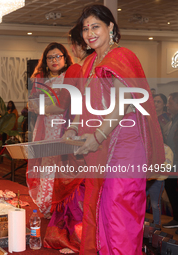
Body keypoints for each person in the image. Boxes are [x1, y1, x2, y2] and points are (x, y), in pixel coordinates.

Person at [63, 5, 165, 254]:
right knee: (99, 210)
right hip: (101, 146)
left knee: (120, 212)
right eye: (85, 28)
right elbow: (81, 102)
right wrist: (73, 128)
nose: (89, 33)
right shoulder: (88, 62)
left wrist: (98, 135)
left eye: (95, 26)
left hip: (125, 145)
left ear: (110, 27)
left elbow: (124, 102)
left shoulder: (122, 57)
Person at [44, 24, 94, 252]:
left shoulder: (77, 70)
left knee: (72, 187)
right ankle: (89, 238)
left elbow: (66, 105)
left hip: (76, 133)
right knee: (87, 187)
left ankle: (75, 238)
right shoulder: (95, 67)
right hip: (92, 133)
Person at [27, 42, 73, 218]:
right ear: (45, 60)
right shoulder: (41, 79)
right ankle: (46, 205)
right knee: (47, 163)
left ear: (65, 58)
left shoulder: (70, 76)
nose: (54, 60)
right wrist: (46, 107)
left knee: (63, 165)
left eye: (58, 56)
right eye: (50, 57)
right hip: (45, 126)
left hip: (66, 125)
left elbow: (63, 107)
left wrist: (44, 107)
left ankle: (60, 206)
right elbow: (31, 103)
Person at [162, 92, 178, 233]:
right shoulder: (173, 119)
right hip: (173, 162)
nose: (167, 105)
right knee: (170, 188)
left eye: (170, 102)